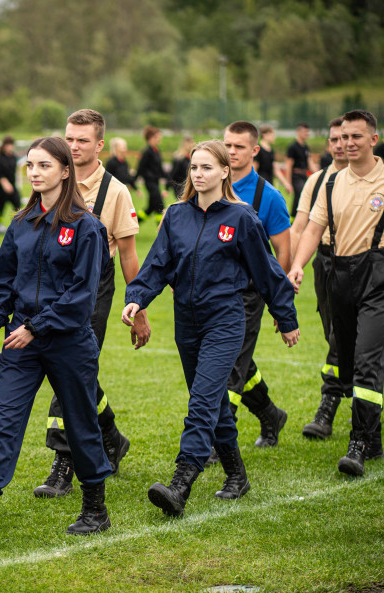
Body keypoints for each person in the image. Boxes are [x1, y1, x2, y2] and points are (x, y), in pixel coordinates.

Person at [0, 136, 113, 548]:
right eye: (30, 166)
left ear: (65, 171)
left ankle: (95, 509)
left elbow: (81, 296)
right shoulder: (20, 223)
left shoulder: (87, 227)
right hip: (21, 340)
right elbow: (3, 279)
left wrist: (38, 327)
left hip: (68, 341)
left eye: (44, 166)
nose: (35, 173)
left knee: (81, 423)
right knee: (4, 420)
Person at [121, 140, 299, 517]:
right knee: (214, 403)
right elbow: (157, 265)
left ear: (224, 172)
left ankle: (181, 482)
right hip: (186, 323)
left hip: (225, 320)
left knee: (201, 401)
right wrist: (137, 297)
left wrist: (286, 320)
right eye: (194, 168)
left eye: (206, 168)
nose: (198, 174)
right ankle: (237, 475)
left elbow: (267, 273)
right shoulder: (175, 215)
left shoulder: (242, 217)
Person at [290, 109, 384, 478]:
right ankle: (375, 435)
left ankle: (358, 444)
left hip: (380, 277)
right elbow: (311, 229)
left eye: (357, 137)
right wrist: (297, 266)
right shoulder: (332, 184)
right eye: (343, 137)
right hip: (340, 276)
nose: (349, 143)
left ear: (373, 139)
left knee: (368, 359)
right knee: (350, 360)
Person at [35, 109, 149, 499]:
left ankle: (63, 462)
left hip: (93, 291)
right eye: (69, 137)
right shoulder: (46, 178)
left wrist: (140, 309)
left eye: (83, 140)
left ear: (100, 144)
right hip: (48, 287)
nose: (74, 146)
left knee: (67, 368)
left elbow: (130, 255)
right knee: (68, 373)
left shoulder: (115, 191)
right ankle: (111, 437)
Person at [220, 121, 292, 450]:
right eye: (227, 145)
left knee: (230, 364)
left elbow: (283, 254)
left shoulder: (269, 197)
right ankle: (270, 414)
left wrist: (281, 304)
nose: (232, 152)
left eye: (238, 146)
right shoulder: (208, 184)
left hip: (248, 295)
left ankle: (215, 441)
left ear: (254, 150)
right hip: (210, 292)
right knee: (237, 361)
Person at [290, 117, 350, 439]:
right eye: (333, 140)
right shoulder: (316, 181)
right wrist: (294, 267)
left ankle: (327, 410)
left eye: (345, 138)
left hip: (358, 264)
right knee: (333, 335)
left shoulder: (369, 180)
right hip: (324, 263)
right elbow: (300, 227)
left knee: (340, 340)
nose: (339, 145)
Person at [135, 125, 166, 223]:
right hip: (150, 183)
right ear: (151, 138)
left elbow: (160, 168)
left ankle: (133, 223)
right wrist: (133, 181)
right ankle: (161, 230)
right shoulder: (147, 152)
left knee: (151, 208)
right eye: (158, 137)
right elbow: (140, 168)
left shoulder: (156, 151)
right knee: (160, 206)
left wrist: (169, 178)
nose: (160, 139)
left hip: (155, 182)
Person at [284, 122, 314, 215]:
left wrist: (320, 173)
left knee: (308, 194)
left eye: (307, 132)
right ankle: (293, 217)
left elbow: (310, 163)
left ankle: (305, 216)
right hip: (295, 176)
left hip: (304, 175)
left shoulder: (306, 147)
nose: (306, 134)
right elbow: (288, 165)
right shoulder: (293, 147)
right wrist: (288, 183)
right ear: (298, 132)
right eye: (305, 132)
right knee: (300, 194)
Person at [0, 135, 20, 233]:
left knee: (17, 204)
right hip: (1, 187)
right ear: (4, 146)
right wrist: (5, 184)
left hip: (12, 185)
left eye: (11, 145)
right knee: (0, 207)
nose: (10, 147)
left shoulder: (13, 157)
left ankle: (18, 225)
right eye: (8, 145)